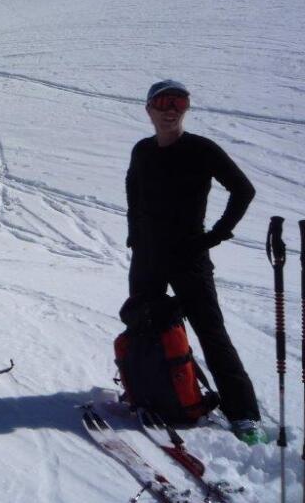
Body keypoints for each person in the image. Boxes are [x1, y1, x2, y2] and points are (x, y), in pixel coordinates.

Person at [126, 79, 263, 444]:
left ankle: (243, 415)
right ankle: (148, 392)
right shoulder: (142, 150)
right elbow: (133, 191)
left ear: (186, 108)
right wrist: (134, 236)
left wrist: (215, 235)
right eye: (163, 103)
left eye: (179, 102)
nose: (171, 110)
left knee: (211, 334)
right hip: (147, 258)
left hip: (189, 258)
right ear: (149, 110)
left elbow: (243, 190)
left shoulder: (201, 149)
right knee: (144, 327)